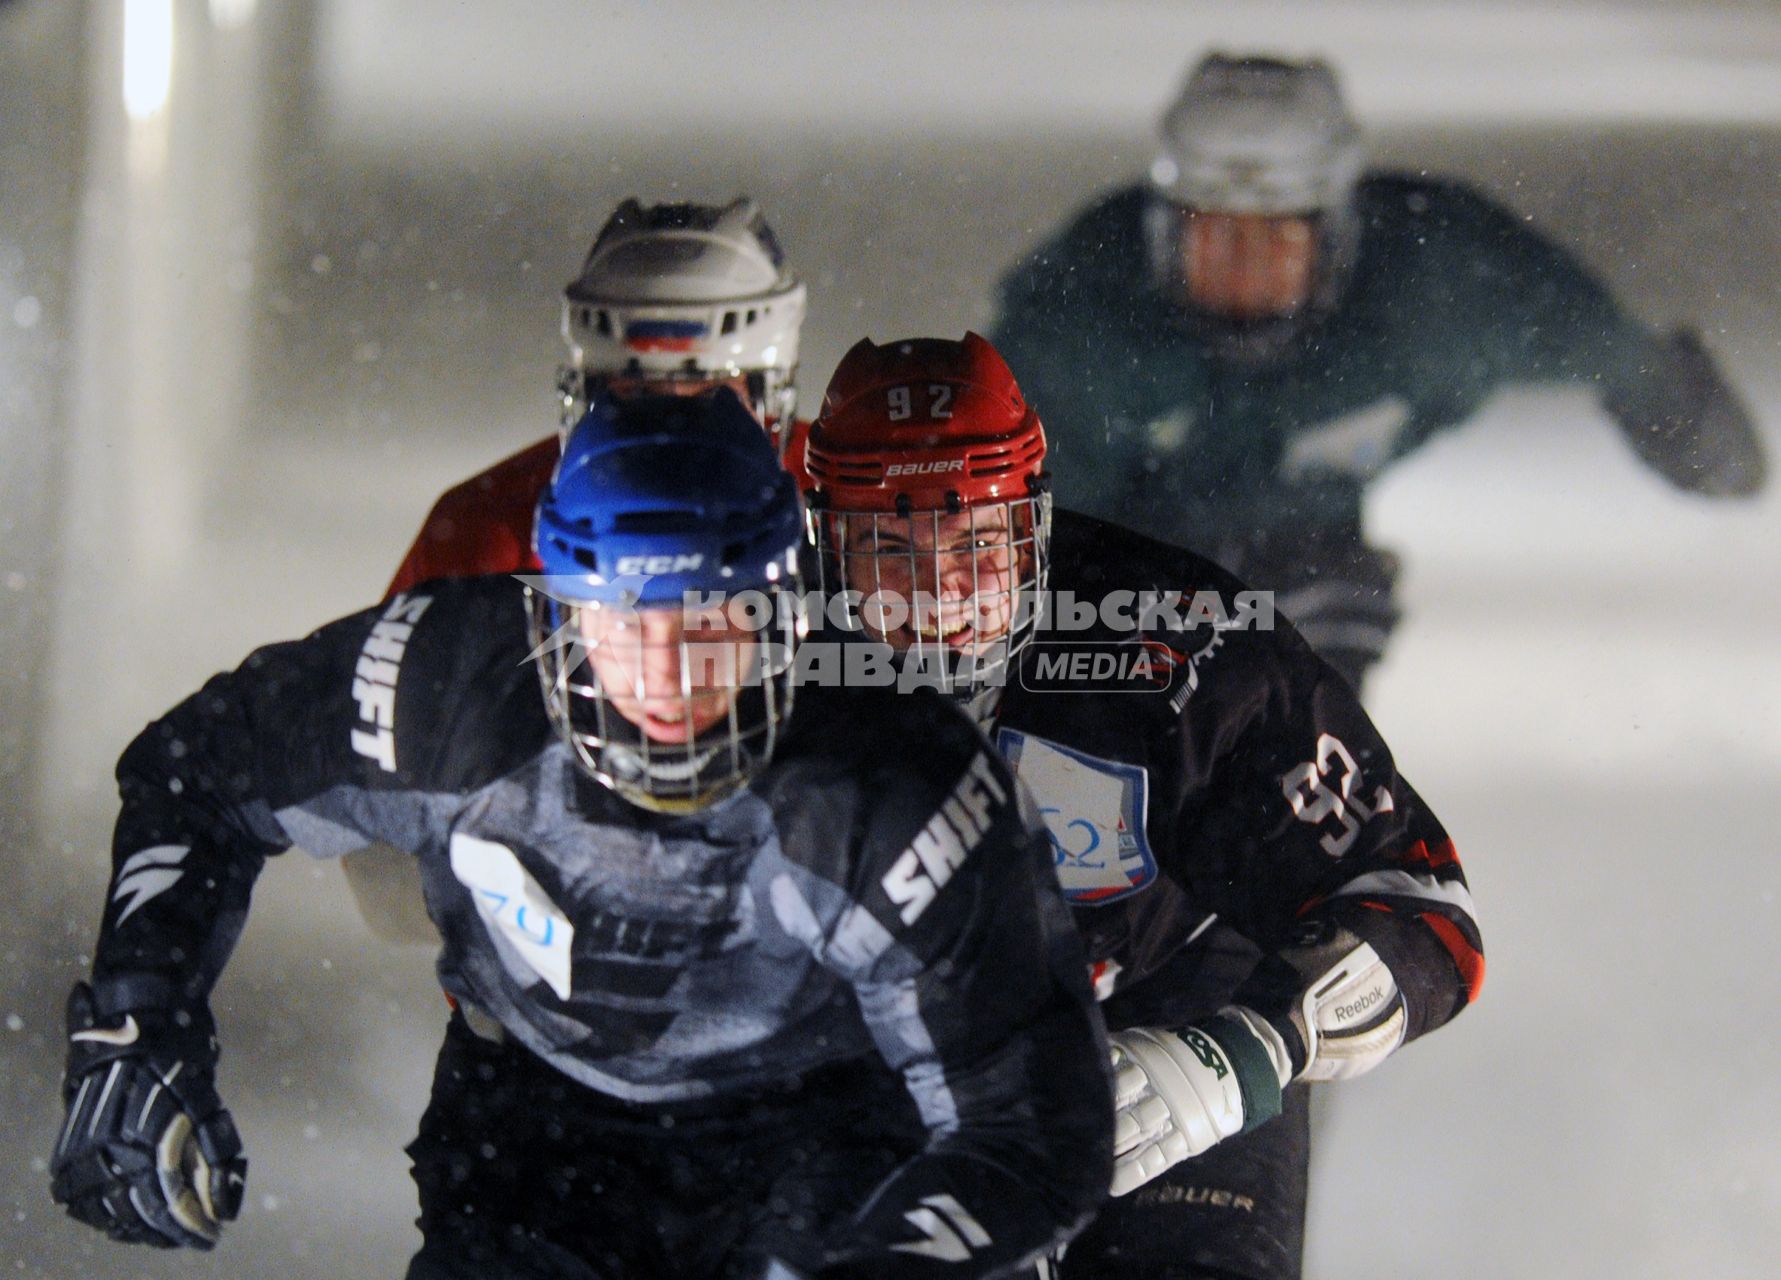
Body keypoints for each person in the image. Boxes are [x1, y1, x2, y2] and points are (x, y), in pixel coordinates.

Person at [49, 390, 1115, 1279]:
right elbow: (201, 771)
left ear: (781, 611)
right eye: (622, 623)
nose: (665, 674)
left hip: (829, 1139)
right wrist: (143, 1021)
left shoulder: (899, 778)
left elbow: (1035, 1132)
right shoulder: (443, 684)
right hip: (532, 1137)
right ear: (550, 609)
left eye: (706, 619)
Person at [801, 333, 1483, 1280]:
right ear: (816, 546)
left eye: (976, 543)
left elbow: (1419, 909)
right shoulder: (720, 653)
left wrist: (1246, 1050)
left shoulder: (1188, 644)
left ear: (1036, 526)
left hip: (1164, 1009)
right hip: (852, 1058)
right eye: (886, 546)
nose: (938, 596)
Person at [988, 51, 1768, 690]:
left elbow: (1599, 343)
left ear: (1335, 240)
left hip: (1318, 571)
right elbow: (1029, 533)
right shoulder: (1076, 321)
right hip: (1132, 564)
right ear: (1161, 237)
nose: (1245, 275)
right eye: (1214, 243)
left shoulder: (1445, 283)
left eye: (1276, 245)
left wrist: (1683, 417)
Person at [386, 195, 809, 597]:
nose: (674, 429)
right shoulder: (482, 527)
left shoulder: (848, 495)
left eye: (713, 396)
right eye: (641, 393)